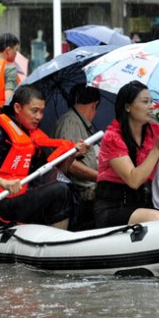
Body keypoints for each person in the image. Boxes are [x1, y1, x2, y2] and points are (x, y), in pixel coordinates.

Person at [0, 84, 89, 233]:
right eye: (34, 111)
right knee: (61, 191)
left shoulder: (31, 134)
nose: (39, 117)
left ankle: (60, 236)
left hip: (19, 198)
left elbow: (56, 175)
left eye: (41, 112)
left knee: (67, 186)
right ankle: (56, 243)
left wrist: (72, 155)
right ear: (18, 108)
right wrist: (3, 182)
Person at [94, 80, 159, 228]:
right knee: (157, 218)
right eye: (145, 102)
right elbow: (133, 180)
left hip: (144, 201)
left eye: (151, 101)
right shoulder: (112, 137)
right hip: (114, 207)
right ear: (128, 107)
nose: (151, 107)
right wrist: (156, 149)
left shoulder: (154, 131)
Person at [53, 84, 101, 230]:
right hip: (82, 194)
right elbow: (70, 164)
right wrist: (99, 177)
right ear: (94, 105)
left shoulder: (81, 122)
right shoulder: (71, 121)